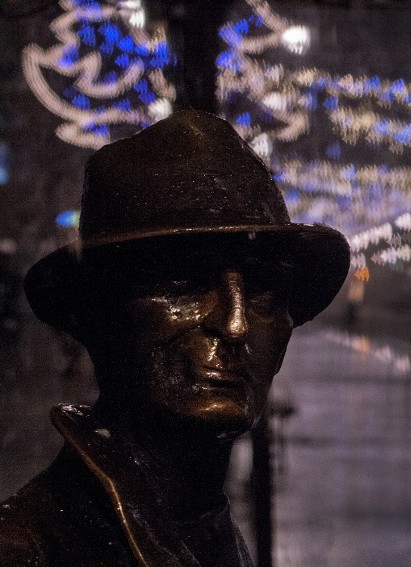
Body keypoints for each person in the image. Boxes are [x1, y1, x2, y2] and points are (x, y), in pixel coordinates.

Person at [0, 110, 350, 566]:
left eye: (261, 292)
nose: (235, 324)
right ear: (99, 313)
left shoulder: (204, 530)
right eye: (184, 284)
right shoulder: (30, 552)